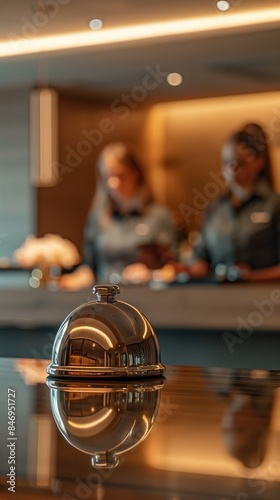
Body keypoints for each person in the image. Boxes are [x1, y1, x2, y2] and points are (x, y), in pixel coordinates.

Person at [145, 124, 280, 283]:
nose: (232, 169)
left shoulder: (274, 205)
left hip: (261, 298)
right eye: (227, 163)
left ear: (259, 162)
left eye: (240, 163)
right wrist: (183, 269)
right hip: (217, 299)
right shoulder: (214, 208)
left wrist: (251, 277)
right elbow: (201, 260)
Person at [59, 142, 177, 290]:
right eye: (107, 177)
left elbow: (172, 269)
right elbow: (90, 268)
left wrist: (150, 273)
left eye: (120, 175)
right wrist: (70, 280)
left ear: (136, 174)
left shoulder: (160, 217)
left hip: (147, 298)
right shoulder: (98, 219)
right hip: (105, 301)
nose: (113, 183)